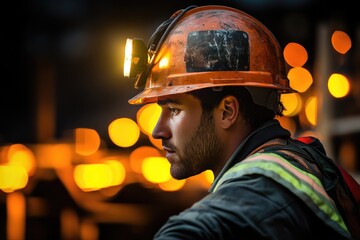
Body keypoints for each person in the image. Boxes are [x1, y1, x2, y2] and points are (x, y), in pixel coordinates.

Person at [125, 5, 359, 239]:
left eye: (174, 110)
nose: (158, 131)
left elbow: (211, 225)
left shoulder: (267, 185)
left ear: (227, 111)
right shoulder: (294, 162)